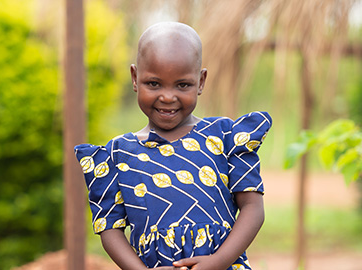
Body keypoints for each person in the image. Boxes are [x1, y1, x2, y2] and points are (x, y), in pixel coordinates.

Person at [74, 21, 271, 269]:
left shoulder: (225, 138)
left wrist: (218, 261)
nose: (168, 97)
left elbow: (253, 208)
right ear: (135, 78)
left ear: (201, 81)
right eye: (154, 84)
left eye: (182, 85)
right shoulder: (117, 156)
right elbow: (109, 229)